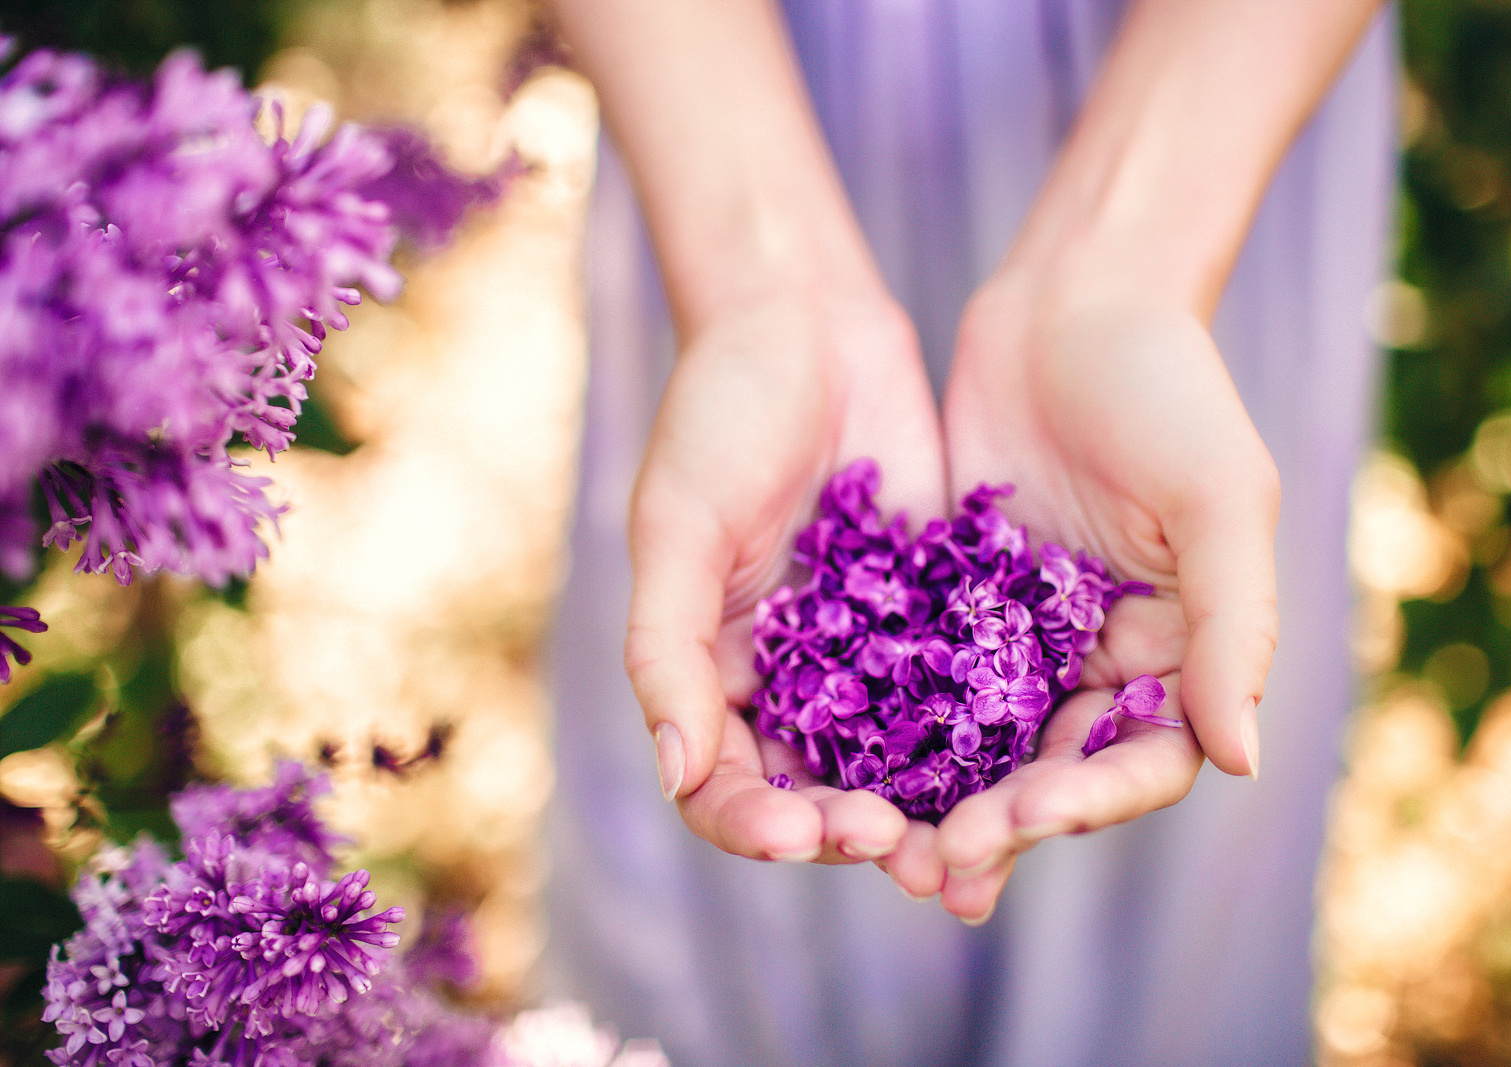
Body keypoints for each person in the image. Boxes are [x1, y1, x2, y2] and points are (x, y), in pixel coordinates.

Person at [543, 2, 1396, 1064]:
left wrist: (1126, 272)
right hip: (714, 111)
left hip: (1216, 109)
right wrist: (755, 276)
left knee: (1170, 883)